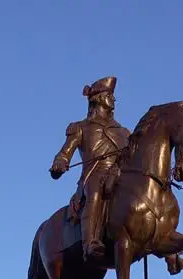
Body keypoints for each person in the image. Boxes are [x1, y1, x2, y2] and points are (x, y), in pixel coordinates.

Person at [48, 76, 131, 261]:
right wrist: (60, 163)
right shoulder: (81, 127)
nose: (114, 100)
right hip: (95, 173)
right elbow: (64, 152)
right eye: (110, 95)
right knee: (94, 192)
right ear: (100, 98)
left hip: (119, 175)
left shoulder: (124, 132)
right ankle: (90, 242)